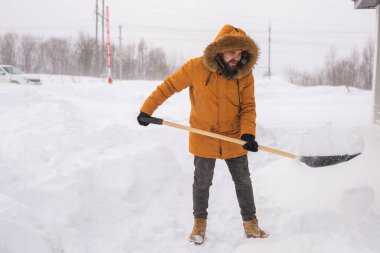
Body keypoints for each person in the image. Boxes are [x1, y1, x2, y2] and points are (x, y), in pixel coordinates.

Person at [137, 24, 268, 244]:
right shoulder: (196, 67)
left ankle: (250, 223)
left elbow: (248, 107)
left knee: (243, 181)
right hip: (203, 135)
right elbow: (168, 86)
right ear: (219, 50)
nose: (235, 57)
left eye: (239, 52)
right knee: (202, 182)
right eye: (231, 51)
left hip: (234, 136)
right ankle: (199, 224)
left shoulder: (245, 75)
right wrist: (146, 110)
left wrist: (248, 135)